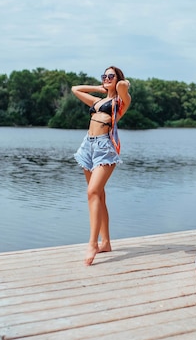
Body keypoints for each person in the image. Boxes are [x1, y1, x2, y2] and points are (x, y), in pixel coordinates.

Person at [71, 66, 131, 266]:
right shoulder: (99, 101)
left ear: (118, 78)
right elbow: (75, 89)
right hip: (88, 145)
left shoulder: (120, 101)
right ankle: (105, 242)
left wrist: (118, 82)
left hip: (105, 147)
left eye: (110, 76)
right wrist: (100, 87)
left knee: (92, 192)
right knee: (99, 195)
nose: (106, 78)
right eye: (104, 76)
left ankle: (92, 244)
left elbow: (123, 85)